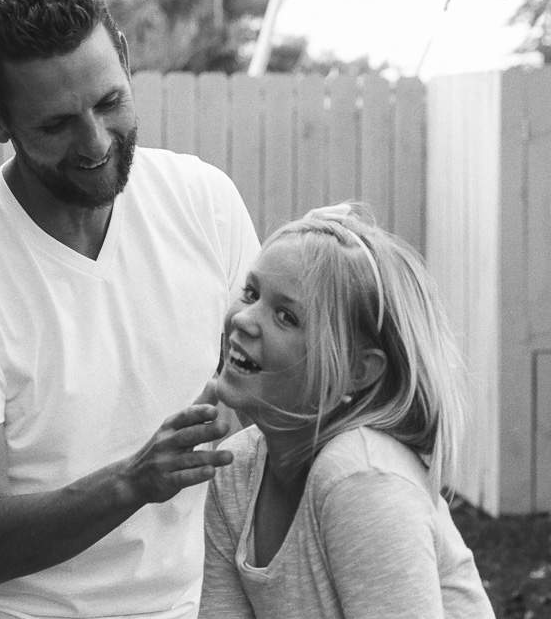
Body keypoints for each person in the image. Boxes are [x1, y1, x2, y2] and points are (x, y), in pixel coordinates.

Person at [0, 0, 259, 618]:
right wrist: (132, 480)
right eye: (57, 125)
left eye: (110, 101)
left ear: (122, 58)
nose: (95, 142)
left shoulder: (204, 203)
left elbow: (272, 391)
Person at [199, 202, 495, 618]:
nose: (244, 319)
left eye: (286, 317)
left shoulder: (361, 477)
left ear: (359, 370)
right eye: (251, 293)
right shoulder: (235, 470)